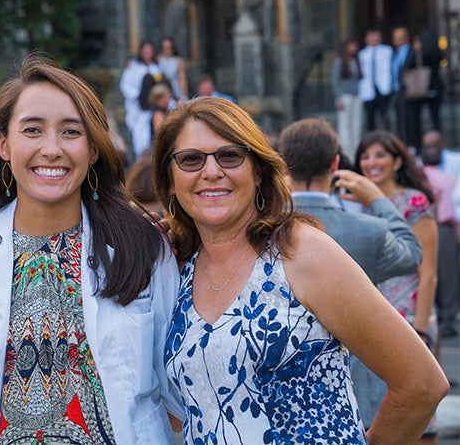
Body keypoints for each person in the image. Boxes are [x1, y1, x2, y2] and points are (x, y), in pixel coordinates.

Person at [152, 97, 447, 443]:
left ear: (258, 171)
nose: (212, 171)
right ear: (170, 180)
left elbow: (421, 383)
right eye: (191, 160)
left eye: (230, 155)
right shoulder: (178, 268)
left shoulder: (301, 251)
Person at [0, 54, 183, 444]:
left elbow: (176, 387)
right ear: (4, 145)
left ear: (93, 150)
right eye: (32, 130)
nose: (52, 149)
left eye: (71, 132)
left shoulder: (143, 245)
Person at [353, 130, 442, 441]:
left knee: (420, 417)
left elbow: (429, 272)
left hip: (410, 313)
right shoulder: (360, 205)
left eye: (379, 155)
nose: (371, 162)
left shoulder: (413, 201)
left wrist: (421, 329)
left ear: (397, 161)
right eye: (365, 156)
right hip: (376, 319)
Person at [278, 118, 422, 285]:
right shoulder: (371, 230)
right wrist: (378, 199)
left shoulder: (259, 227)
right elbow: (413, 254)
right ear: (335, 164)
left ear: (284, 168)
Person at [421, 141, 459, 338]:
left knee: (424, 275)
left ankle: (426, 316)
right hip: (444, 228)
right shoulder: (449, 179)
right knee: (448, 278)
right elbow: (452, 210)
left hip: (420, 227)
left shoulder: (417, 179)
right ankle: (448, 320)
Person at [120, 40, 163, 160]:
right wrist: (138, 96)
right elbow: (125, 85)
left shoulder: (156, 67)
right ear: (141, 52)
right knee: (140, 134)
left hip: (153, 104)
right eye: (145, 51)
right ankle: (142, 159)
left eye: (150, 51)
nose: (148, 53)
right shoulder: (133, 66)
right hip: (138, 106)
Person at [404, 29, 444, 152]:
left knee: (416, 119)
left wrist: (415, 50)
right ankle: (438, 143)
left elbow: (407, 67)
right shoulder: (437, 53)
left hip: (420, 90)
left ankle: (417, 145)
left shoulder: (419, 52)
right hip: (434, 90)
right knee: (435, 118)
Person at [331, 36, 364, 159]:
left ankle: (356, 154)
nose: (353, 48)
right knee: (345, 127)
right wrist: (338, 98)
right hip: (344, 97)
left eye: (355, 45)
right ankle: (347, 155)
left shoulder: (357, 60)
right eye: (351, 45)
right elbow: (335, 81)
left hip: (357, 96)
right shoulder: (340, 61)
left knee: (356, 125)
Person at [358, 27, 394, 132]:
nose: (374, 39)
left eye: (376, 36)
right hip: (368, 90)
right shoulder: (362, 54)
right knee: (370, 119)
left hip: (383, 88)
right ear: (366, 39)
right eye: (371, 36)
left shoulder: (387, 51)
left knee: (385, 117)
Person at [391, 26, 413, 143]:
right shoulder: (394, 53)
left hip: (409, 90)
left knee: (410, 119)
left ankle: (412, 144)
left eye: (400, 37)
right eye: (395, 38)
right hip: (396, 89)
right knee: (400, 119)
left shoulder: (413, 51)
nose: (397, 40)